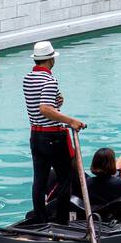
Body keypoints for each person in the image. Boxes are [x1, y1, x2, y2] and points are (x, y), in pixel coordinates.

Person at [22, 40, 85, 225]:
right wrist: (71, 121)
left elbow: (42, 107)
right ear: (50, 60)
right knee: (65, 178)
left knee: (39, 180)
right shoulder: (50, 80)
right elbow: (44, 109)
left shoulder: (27, 79)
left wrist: (57, 104)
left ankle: (41, 220)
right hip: (53, 138)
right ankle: (61, 221)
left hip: (36, 136)